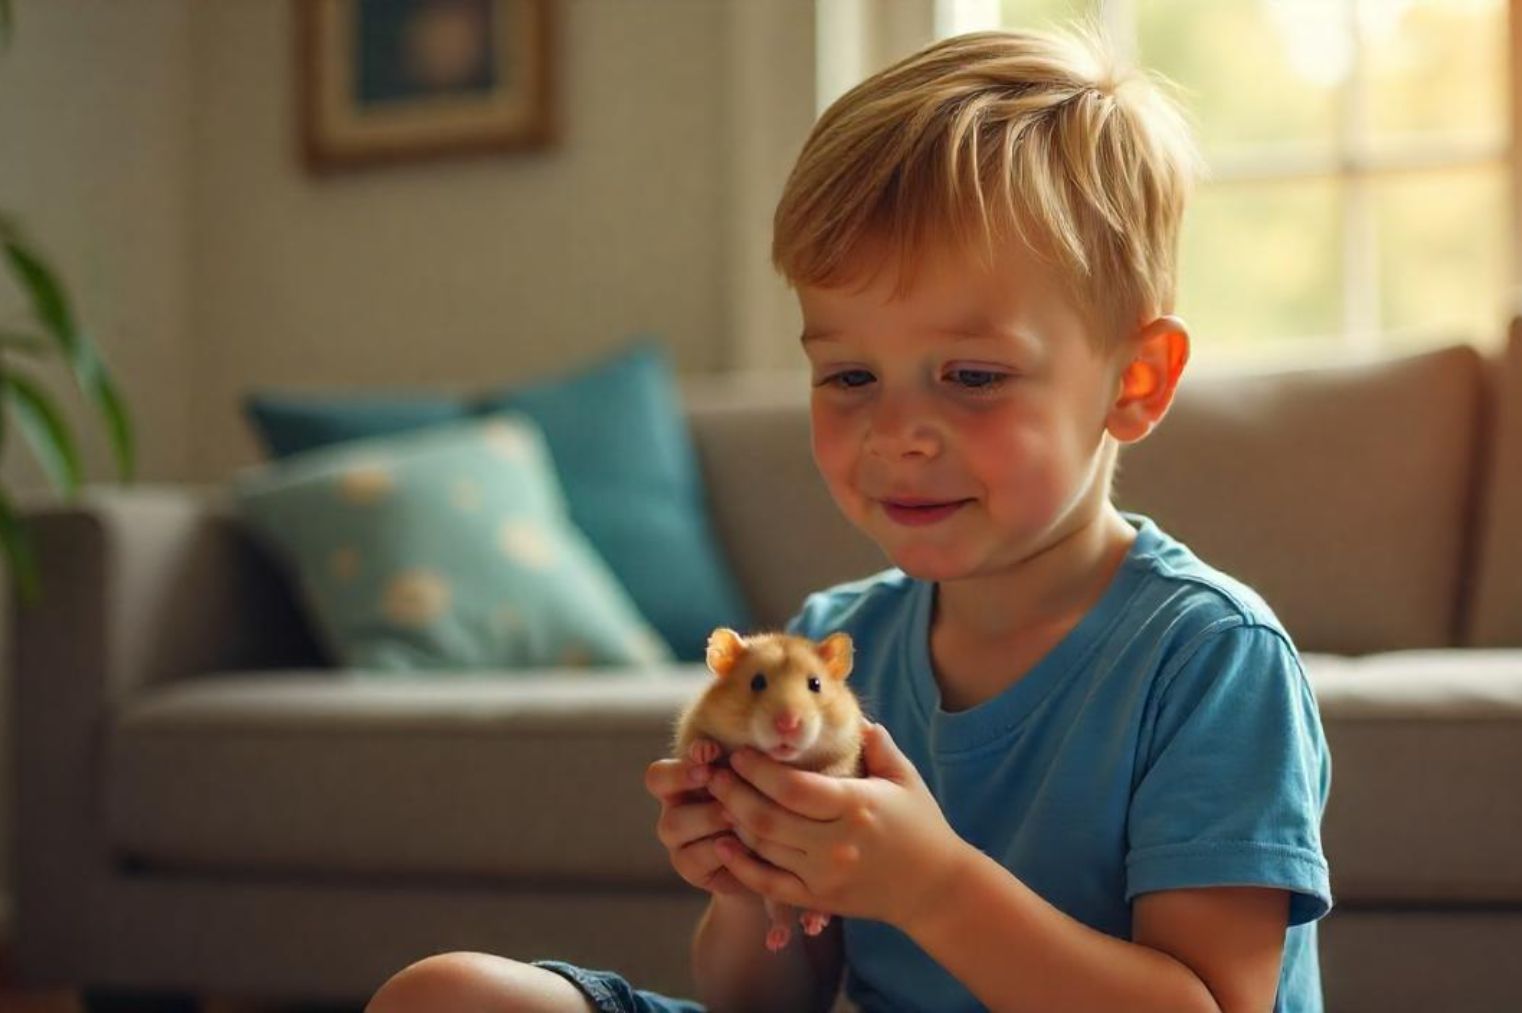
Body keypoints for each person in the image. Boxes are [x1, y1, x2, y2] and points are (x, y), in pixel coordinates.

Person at [368, 22, 1331, 1013]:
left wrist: (931, 884)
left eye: (971, 375)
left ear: (1135, 380)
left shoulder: (1208, 657)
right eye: (850, 374)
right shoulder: (837, 645)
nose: (897, 432)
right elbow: (760, 999)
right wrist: (752, 878)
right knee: (445, 995)